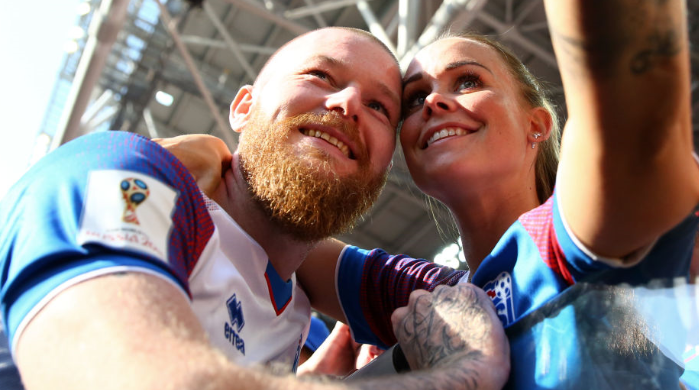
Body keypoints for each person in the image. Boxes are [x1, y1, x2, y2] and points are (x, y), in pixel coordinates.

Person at [163, 0, 699, 387]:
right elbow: (275, 224)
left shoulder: (577, 239)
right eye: (411, 102)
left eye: (468, 80)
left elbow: (628, 103)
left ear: (536, 124)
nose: (434, 102)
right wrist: (201, 160)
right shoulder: (431, 299)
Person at [0, 27, 510, 390]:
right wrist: (449, 380)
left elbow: (491, 289)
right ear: (244, 107)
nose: (349, 103)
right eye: (321, 75)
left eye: (380, 107)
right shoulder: (129, 175)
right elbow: (119, 375)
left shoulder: (298, 301)